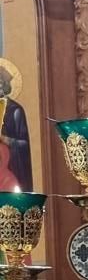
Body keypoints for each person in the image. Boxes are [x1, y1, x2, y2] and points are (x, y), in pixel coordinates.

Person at [0, 64, 31, 192]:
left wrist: (5, 139)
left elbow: (23, 144)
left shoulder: (15, 111)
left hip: (9, 168)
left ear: (4, 85)